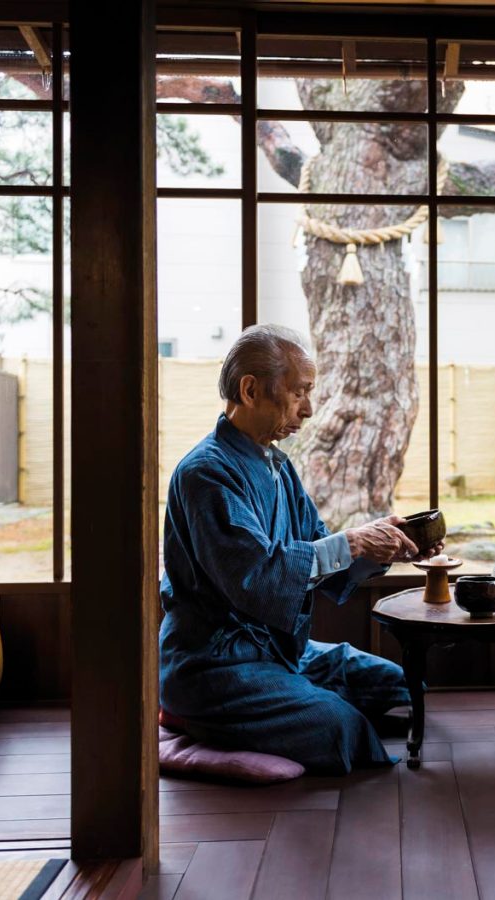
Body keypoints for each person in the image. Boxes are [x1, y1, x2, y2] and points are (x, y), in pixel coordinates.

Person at [159, 324, 439, 775]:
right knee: (340, 728)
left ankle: (274, 709)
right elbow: (256, 577)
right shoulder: (205, 474)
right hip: (216, 665)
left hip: (282, 653)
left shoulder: (277, 466)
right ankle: (188, 713)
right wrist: (350, 543)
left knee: (404, 686)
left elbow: (317, 551)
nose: (308, 410)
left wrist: (383, 546)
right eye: (299, 393)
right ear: (250, 390)